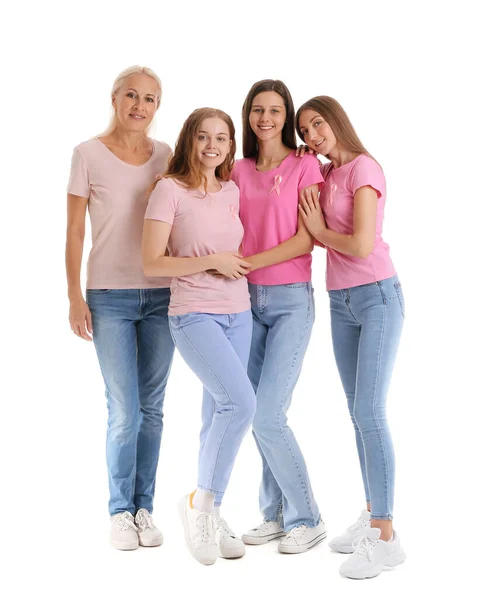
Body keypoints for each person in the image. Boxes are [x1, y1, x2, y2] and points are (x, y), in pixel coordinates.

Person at [297, 95, 406, 578]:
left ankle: (385, 535)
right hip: (339, 300)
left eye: (317, 124)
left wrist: (319, 229)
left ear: (336, 120)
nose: (312, 135)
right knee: (356, 413)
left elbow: (362, 244)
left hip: (377, 295)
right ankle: (370, 511)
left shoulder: (365, 168)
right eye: (304, 131)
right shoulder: (324, 175)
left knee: (370, 412)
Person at [66, 66, 174, 551]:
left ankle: (144, 507)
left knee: (152, 409)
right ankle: (118, 511)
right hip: (108, 296)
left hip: (162, 295)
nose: (140, 105)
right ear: (114, 98)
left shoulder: (167, 156)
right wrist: (74, 295)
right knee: (124, 410)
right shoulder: (86, 154)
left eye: (150, 99)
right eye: (132, 95)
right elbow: (73, 232)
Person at [142, 107, 256, 566]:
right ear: (189, 140)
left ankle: (209, 506)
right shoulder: (168, 190)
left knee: (217, 415)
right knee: (241, 404)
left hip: (239, 313)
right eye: (204, 137)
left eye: (223, 138)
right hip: (193, 314)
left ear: (231, 145)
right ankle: (200, 506)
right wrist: (212, 262)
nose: (213, 146)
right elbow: (153, 262)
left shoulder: (231, 190)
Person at [229, 80, 327, 554]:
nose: (265, 118)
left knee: (269, 415)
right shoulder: (237, 169)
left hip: (290, 300)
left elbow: (306, 240)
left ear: (285, 115)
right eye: (257, 110)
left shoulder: (306, 165)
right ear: (247, 115)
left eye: (274, 110)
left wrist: (250, 261)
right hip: (245, 302)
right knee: (255, 413)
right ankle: (275, 515)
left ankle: (308, 517)